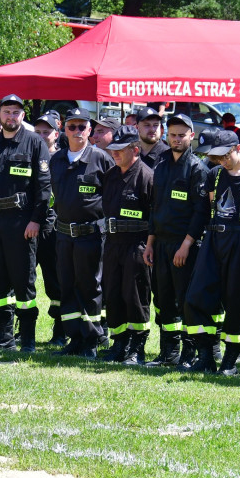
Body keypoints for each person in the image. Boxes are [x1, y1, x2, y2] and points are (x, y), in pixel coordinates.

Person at [0, 94, 52, 352]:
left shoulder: (35, 144)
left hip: (21, 223)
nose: (10, 116)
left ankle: (26, 338)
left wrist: (36, 220)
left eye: (16, 112)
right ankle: (4, 336)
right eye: (6, 112)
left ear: (22, 116)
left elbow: (44, 187)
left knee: (23, 280)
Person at [182, 128, 240, 374]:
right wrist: (188, 242)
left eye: (224, 156)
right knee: (196, 297)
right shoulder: (214, 174)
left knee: (235, 302)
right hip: (214, 239)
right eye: (215, 157)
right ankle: (205, 355)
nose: (220, 162)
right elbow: (204, 210)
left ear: (237, 148)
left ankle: (231, 360)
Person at [142, 113, 208, 367]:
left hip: (185, 245)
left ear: (192, 136)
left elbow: (200, 213)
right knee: (164, 300)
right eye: (172, 135)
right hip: (161, 243)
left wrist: (186, 245)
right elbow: (155, 207)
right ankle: (168, 352)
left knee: (186, 301)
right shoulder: (161, 164)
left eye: (182, 135)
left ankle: (190, 354)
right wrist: (150, 242)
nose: (177, 139)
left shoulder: (196, 168)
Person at [49, 108, 113, 358]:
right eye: (72, 126)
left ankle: (91, 339)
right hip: (64, 234)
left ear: (90, 131)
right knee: (67, 286)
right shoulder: (57, 160)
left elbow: (110, 196)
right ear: (64, 129)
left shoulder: (100, 159)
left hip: (91, 235)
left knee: (90, 287)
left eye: (82, 127)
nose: (77, 131)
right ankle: (74, 337)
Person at [99, 126, 154, 364]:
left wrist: (149, 247)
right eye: (113, 149)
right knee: (113, 294)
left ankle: (137, 347)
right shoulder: (111, 175)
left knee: (135, 296)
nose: (115, 154)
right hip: (113, 243)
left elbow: (155, 217)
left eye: (120, 150)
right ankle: (119, 343)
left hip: (136, 244)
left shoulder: (146, 176)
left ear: (135, 149)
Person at [33, 112, 64, 346]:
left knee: (55, 281)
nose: (43, 136)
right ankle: (22, 328)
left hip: (54, 228)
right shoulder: (28, 156)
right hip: (30, 226)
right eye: (38, 132)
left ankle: (60, 330)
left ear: (56, 133)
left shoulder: (62, 159)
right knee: (24, 278)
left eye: (47, 132)